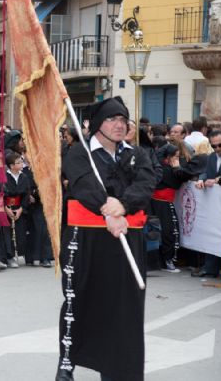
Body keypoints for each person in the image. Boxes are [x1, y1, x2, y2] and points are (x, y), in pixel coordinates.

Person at [56, 97, 156, 381]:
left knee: (125, 306)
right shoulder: (79, 153)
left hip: (127, 239)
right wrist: (107, 210)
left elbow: (145, 183)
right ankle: (67, 361)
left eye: (123, 120)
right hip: (85, 240)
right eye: (112, 119)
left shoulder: (138, 154)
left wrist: (122, 206)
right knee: (79, 299)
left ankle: (120, 369)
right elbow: (84, 183)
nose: (119, 125)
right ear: (98, 124)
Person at [193, 130, 221, 278]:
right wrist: (201, 179)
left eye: (220, 145)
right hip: (214, 204)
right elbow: (206, 172)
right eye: (213, 145)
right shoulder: (211, 157)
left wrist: (217, 180)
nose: (217, 148)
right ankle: (211, 268)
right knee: (212, 233)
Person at [151, 144, 192, 273]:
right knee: (168, 232)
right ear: (168, 156)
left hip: (160, 202)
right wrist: (177, 168)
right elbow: (177, 182)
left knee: (164, 231)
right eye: (175, 156)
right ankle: (167, 261)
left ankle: (164, 261)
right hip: (162, 203)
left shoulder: (163, 166)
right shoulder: (164, 168)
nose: (177, 159)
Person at [3, 152, 30, 268]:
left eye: (21, 162)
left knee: (20, 232)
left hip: (19, 207)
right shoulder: (4, 177)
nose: (21, 164)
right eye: (18, 162)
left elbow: (26, 195)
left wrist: (21, 209)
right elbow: (1, 194)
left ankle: (21, 253)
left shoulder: (23, 176)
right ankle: (9, 257)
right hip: (7, 207)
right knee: (7, 233)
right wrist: (5, 208)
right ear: (11, 165)